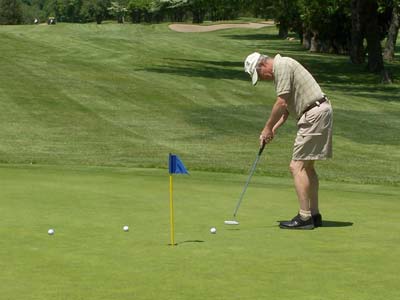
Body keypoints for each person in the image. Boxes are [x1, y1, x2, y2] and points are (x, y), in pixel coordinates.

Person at [244, 52, 333, 229]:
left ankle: (305, 217)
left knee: (296, 166)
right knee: (307, 167)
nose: (262, 79)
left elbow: (281, 103)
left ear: (262, 66)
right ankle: (314, 215)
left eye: (259, 75)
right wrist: (272, 131)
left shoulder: (282, 66)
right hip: (319, 111)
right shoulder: (282, 69)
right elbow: (287, 110)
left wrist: (267, 127)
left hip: (313, 114)